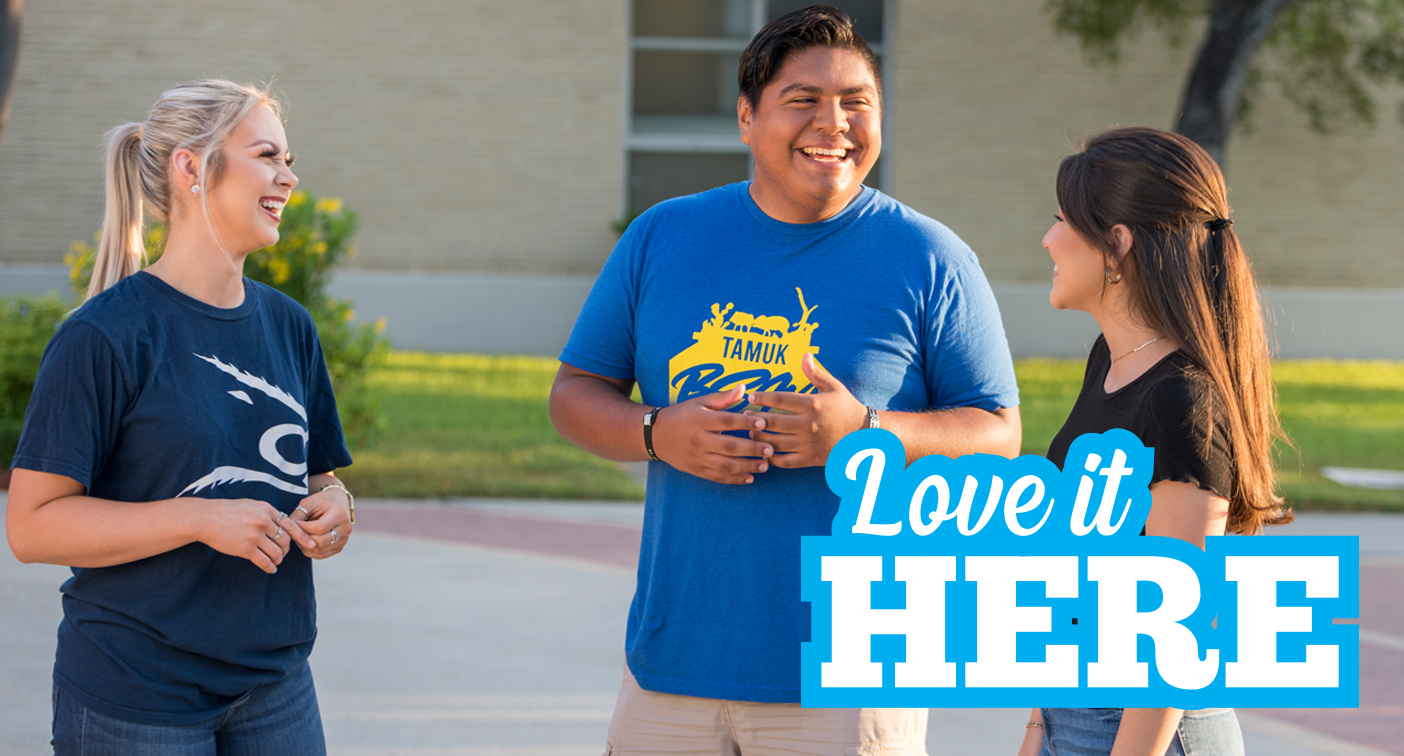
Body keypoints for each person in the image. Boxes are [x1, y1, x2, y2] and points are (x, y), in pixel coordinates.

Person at [549, 6, 1021, 754]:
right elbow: (575, 393)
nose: (833, 123)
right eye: (803, 100)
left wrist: (867, 433)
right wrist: (658, 432)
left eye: (856, 103)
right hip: (674, 666)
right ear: (746, 117)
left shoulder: (931, 257)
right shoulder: (663, 237)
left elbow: (998, 434)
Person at [5, 79, 355, 755]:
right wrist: (198, 517)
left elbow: (317, 479)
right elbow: (30, 525)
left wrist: (337, 505)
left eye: (288, 159)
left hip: (276, 686)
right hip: (136, 694)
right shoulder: (105, 336)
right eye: (268, 156)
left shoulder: (288, 326)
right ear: (191, 167)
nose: (290, 177)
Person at [1017, 126, 1294, 756]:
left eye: (1062, 219)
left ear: (1116, 246)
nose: (1048, 238)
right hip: (1075, 713)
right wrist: (1039, 726)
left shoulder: (1183, 400)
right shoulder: (1109, 363)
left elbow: (1178, 626)